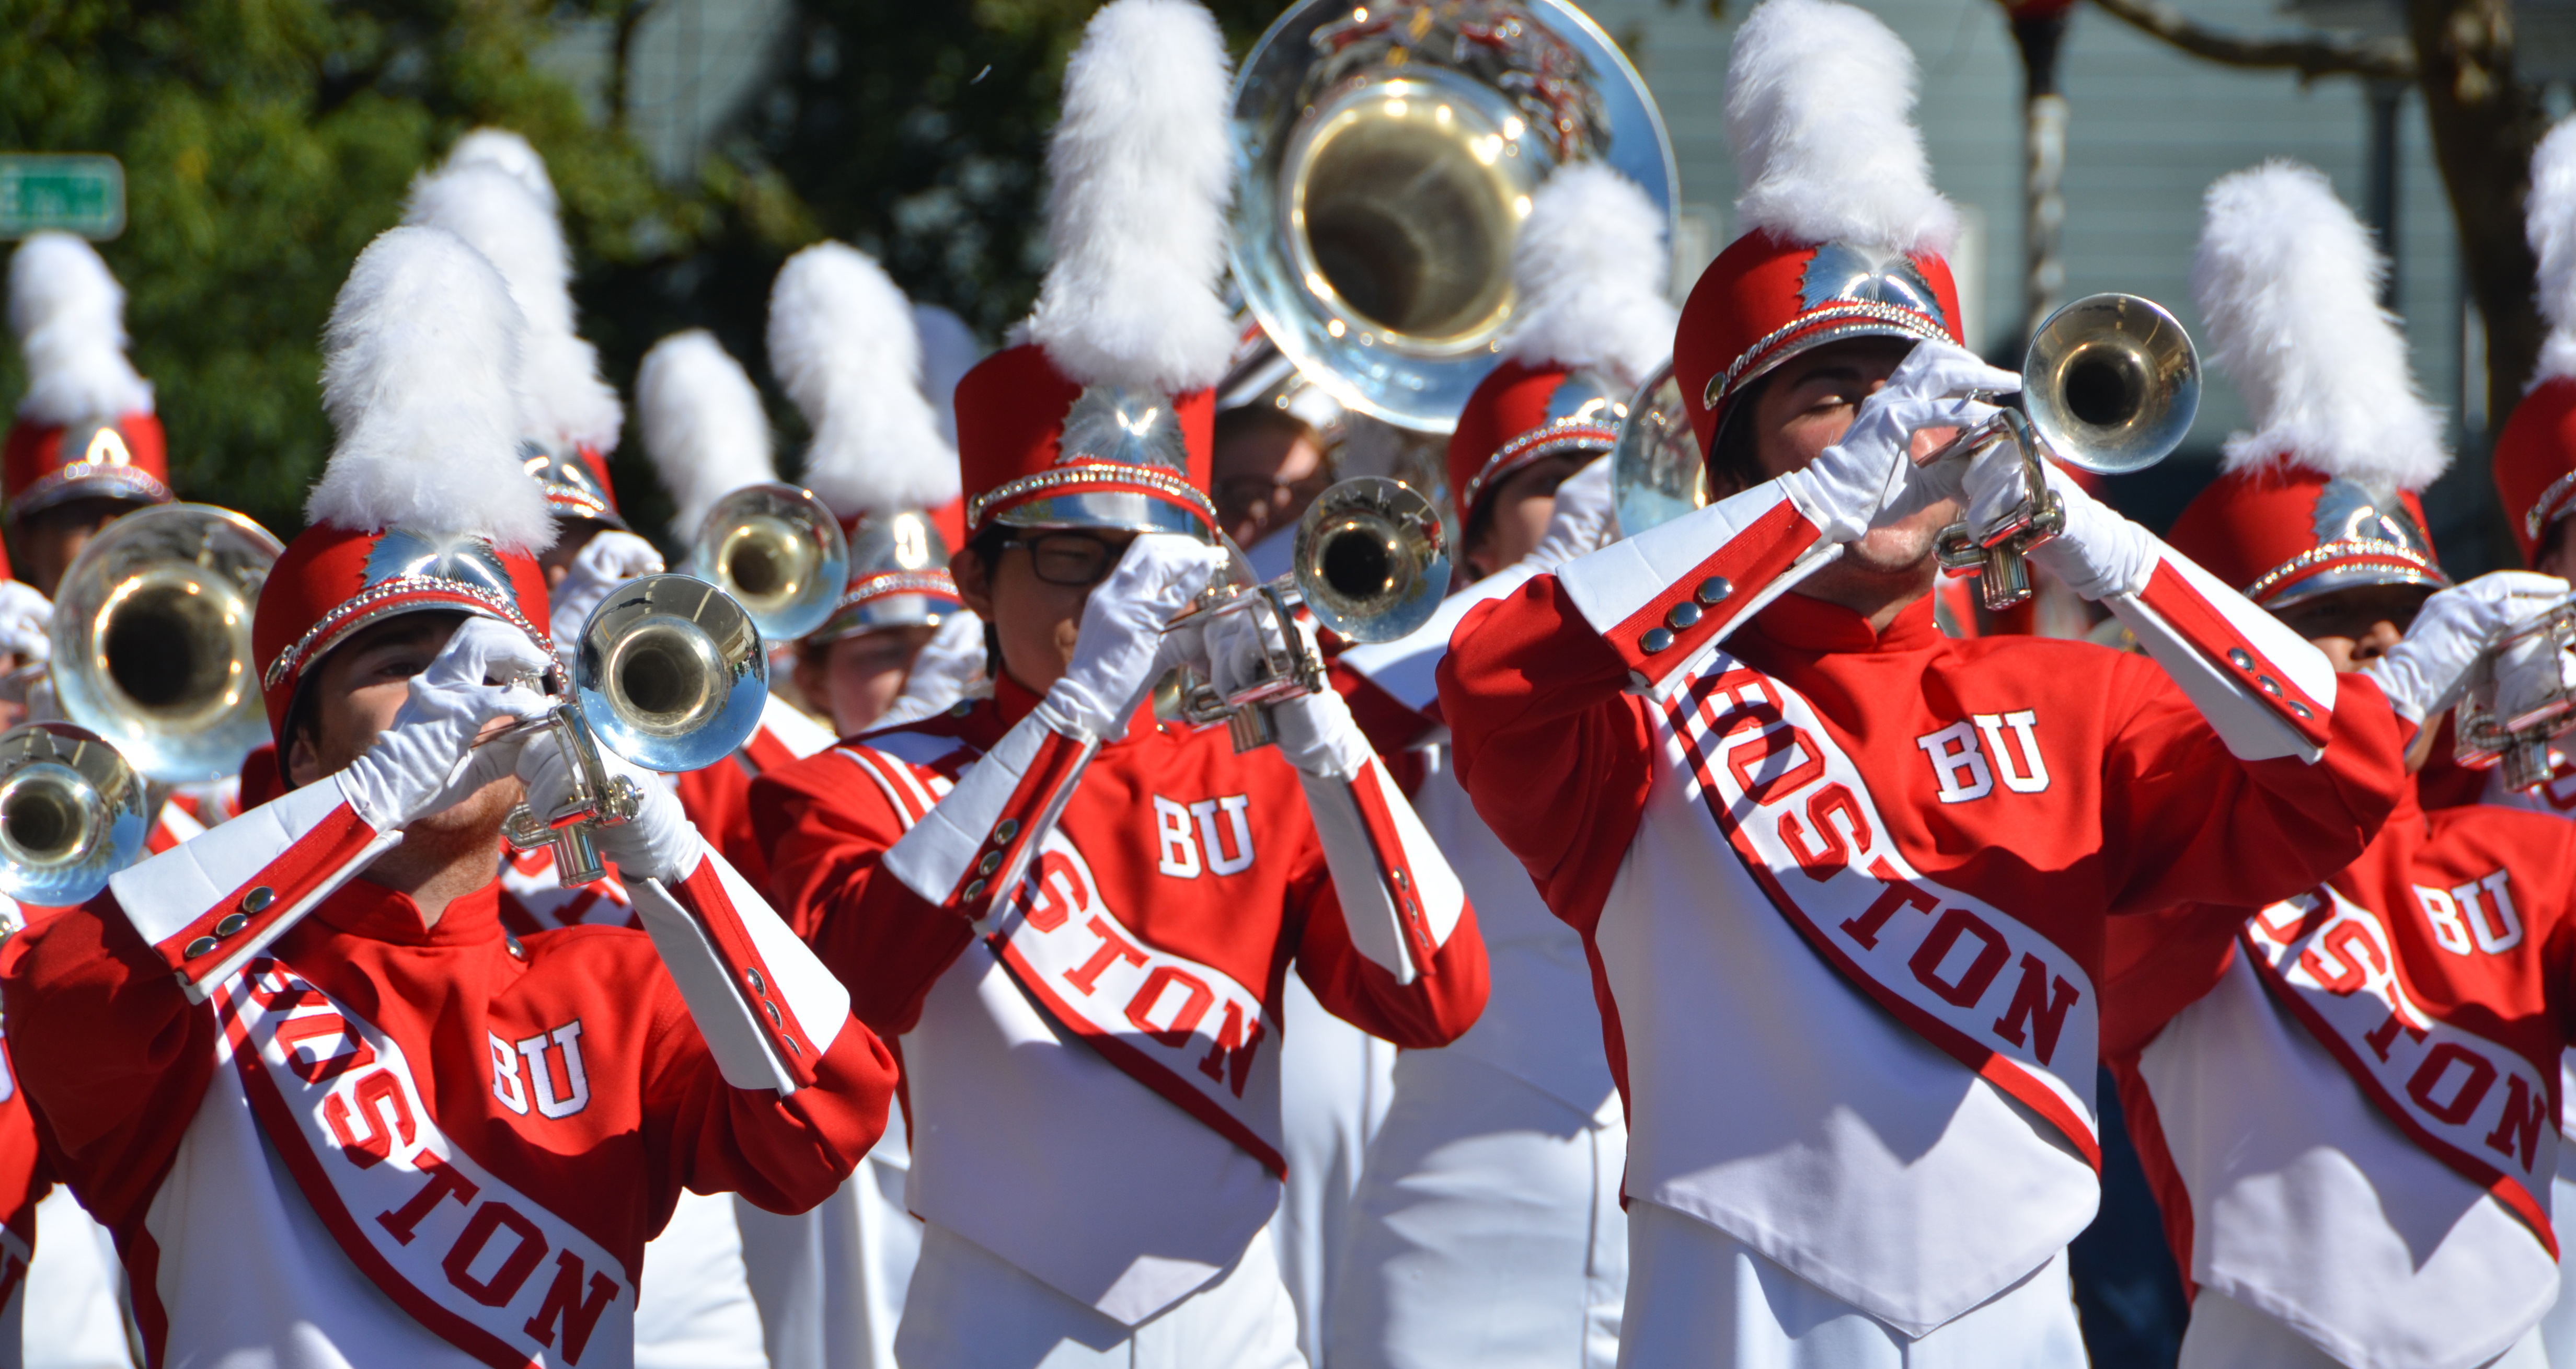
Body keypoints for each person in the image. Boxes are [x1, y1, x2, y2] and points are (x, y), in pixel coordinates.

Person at [1434, 2, 2408, 1362]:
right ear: (1741, 462)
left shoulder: (2077, 695)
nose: (1892, 430)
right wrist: (1813, 511)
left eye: (1913, 392)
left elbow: (2349, 769)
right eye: (1830, 394)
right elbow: (1488, 677)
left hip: (2005, 1318)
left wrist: (2110, 545)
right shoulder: (1646, 709)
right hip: (1729, 1315)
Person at [0, 224, 895, 1368]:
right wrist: (369, 802)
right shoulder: (206, 1005)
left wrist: (666, 852)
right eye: (395, 661)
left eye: (481, 659)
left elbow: (827, 1112)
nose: (450, 692)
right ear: (302, 750)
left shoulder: (613, 981)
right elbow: (66, 1002)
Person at [751, 4, 1487, 1365]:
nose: (1109, 603)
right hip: (994, 1323)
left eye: (1140, 565)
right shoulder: (860, 783)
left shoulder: (1257, 769)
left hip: (1238, 1329)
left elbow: (1431, 995)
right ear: (978, 583)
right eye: (1069, 564)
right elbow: (868, 977)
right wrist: (1075, 714)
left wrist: (1321, 731)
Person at [2099, 158, 2573, 1369]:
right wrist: (2389, 701)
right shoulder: (2161, 845)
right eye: (2332, 619)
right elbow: (2130, 951)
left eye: (2402, 617)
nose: (2378, 642)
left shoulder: (2515, 846)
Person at [1324, 158, 1673, 1369]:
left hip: (1685, 1217)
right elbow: (1323, 722)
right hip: (1462, 1209)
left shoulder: (1722, 669)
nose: (1592, 501)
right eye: (1544, 485)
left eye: (1618, 473)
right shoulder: (1418, 668)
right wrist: (1543, 593)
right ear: (1467, 532)